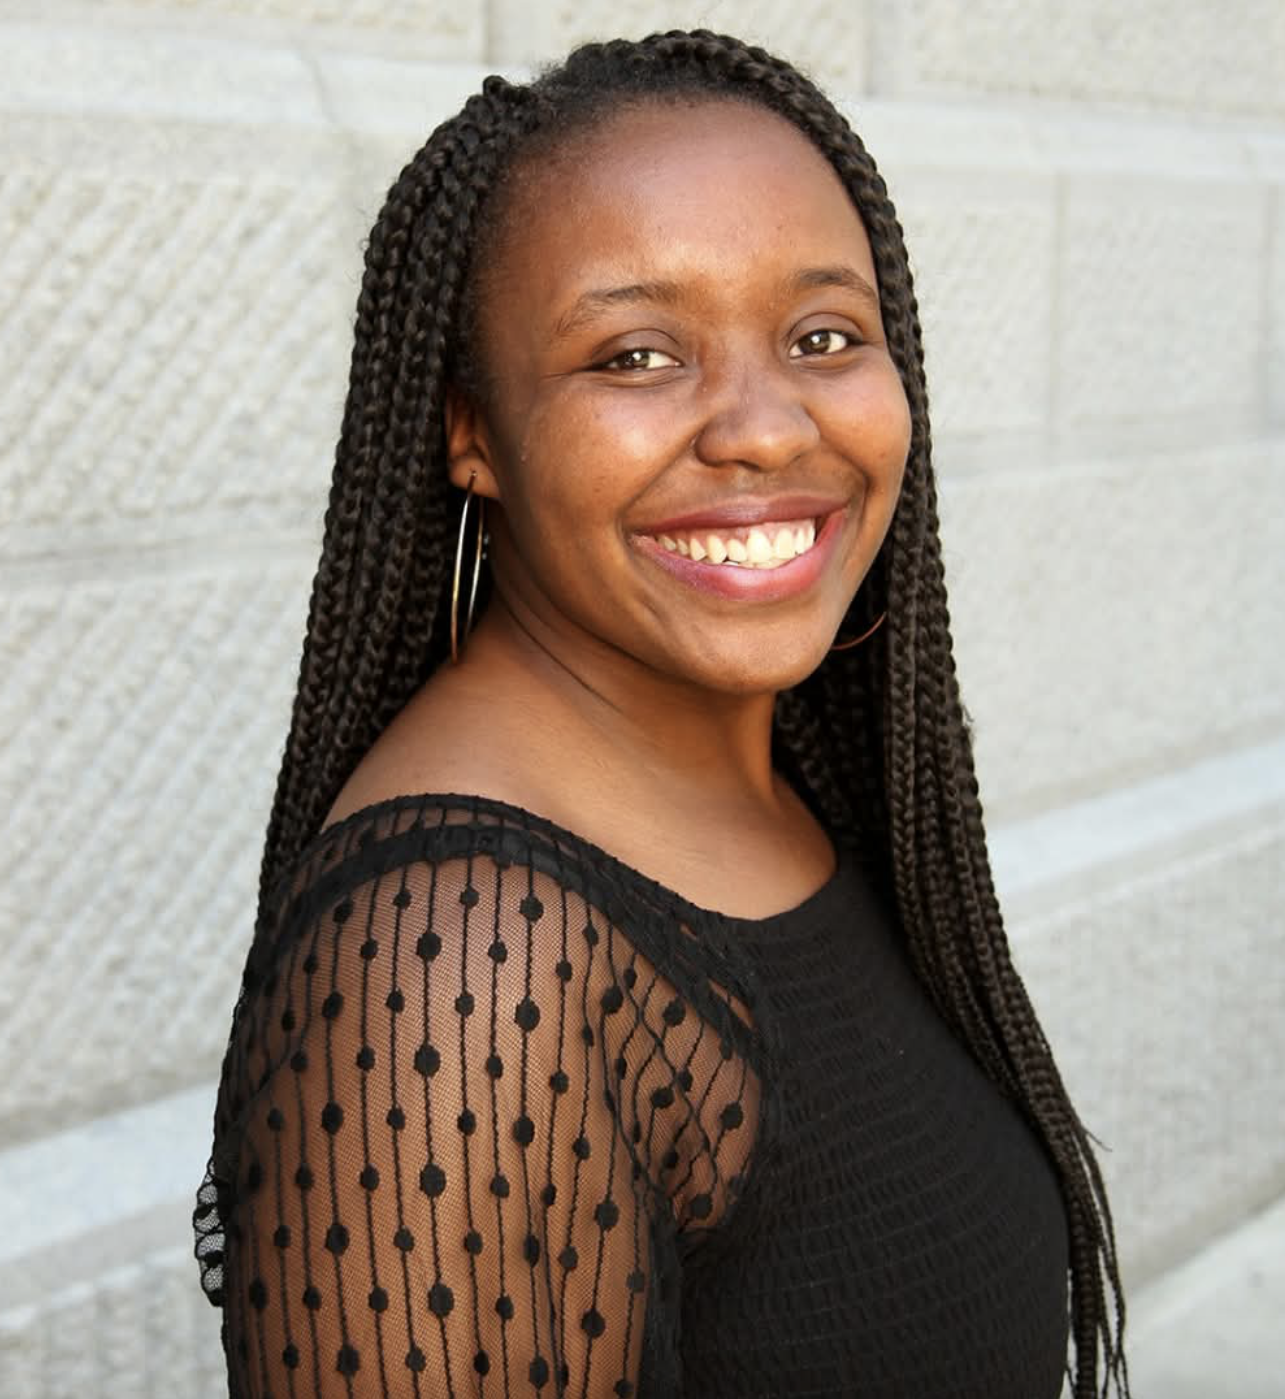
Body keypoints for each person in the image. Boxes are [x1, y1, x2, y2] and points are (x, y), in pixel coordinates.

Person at [193, 29, 1128, 1399]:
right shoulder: (467, 972)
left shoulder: (790, 786)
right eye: (636, 355)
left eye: (823, 336)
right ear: (470, 430)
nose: (765, 427)